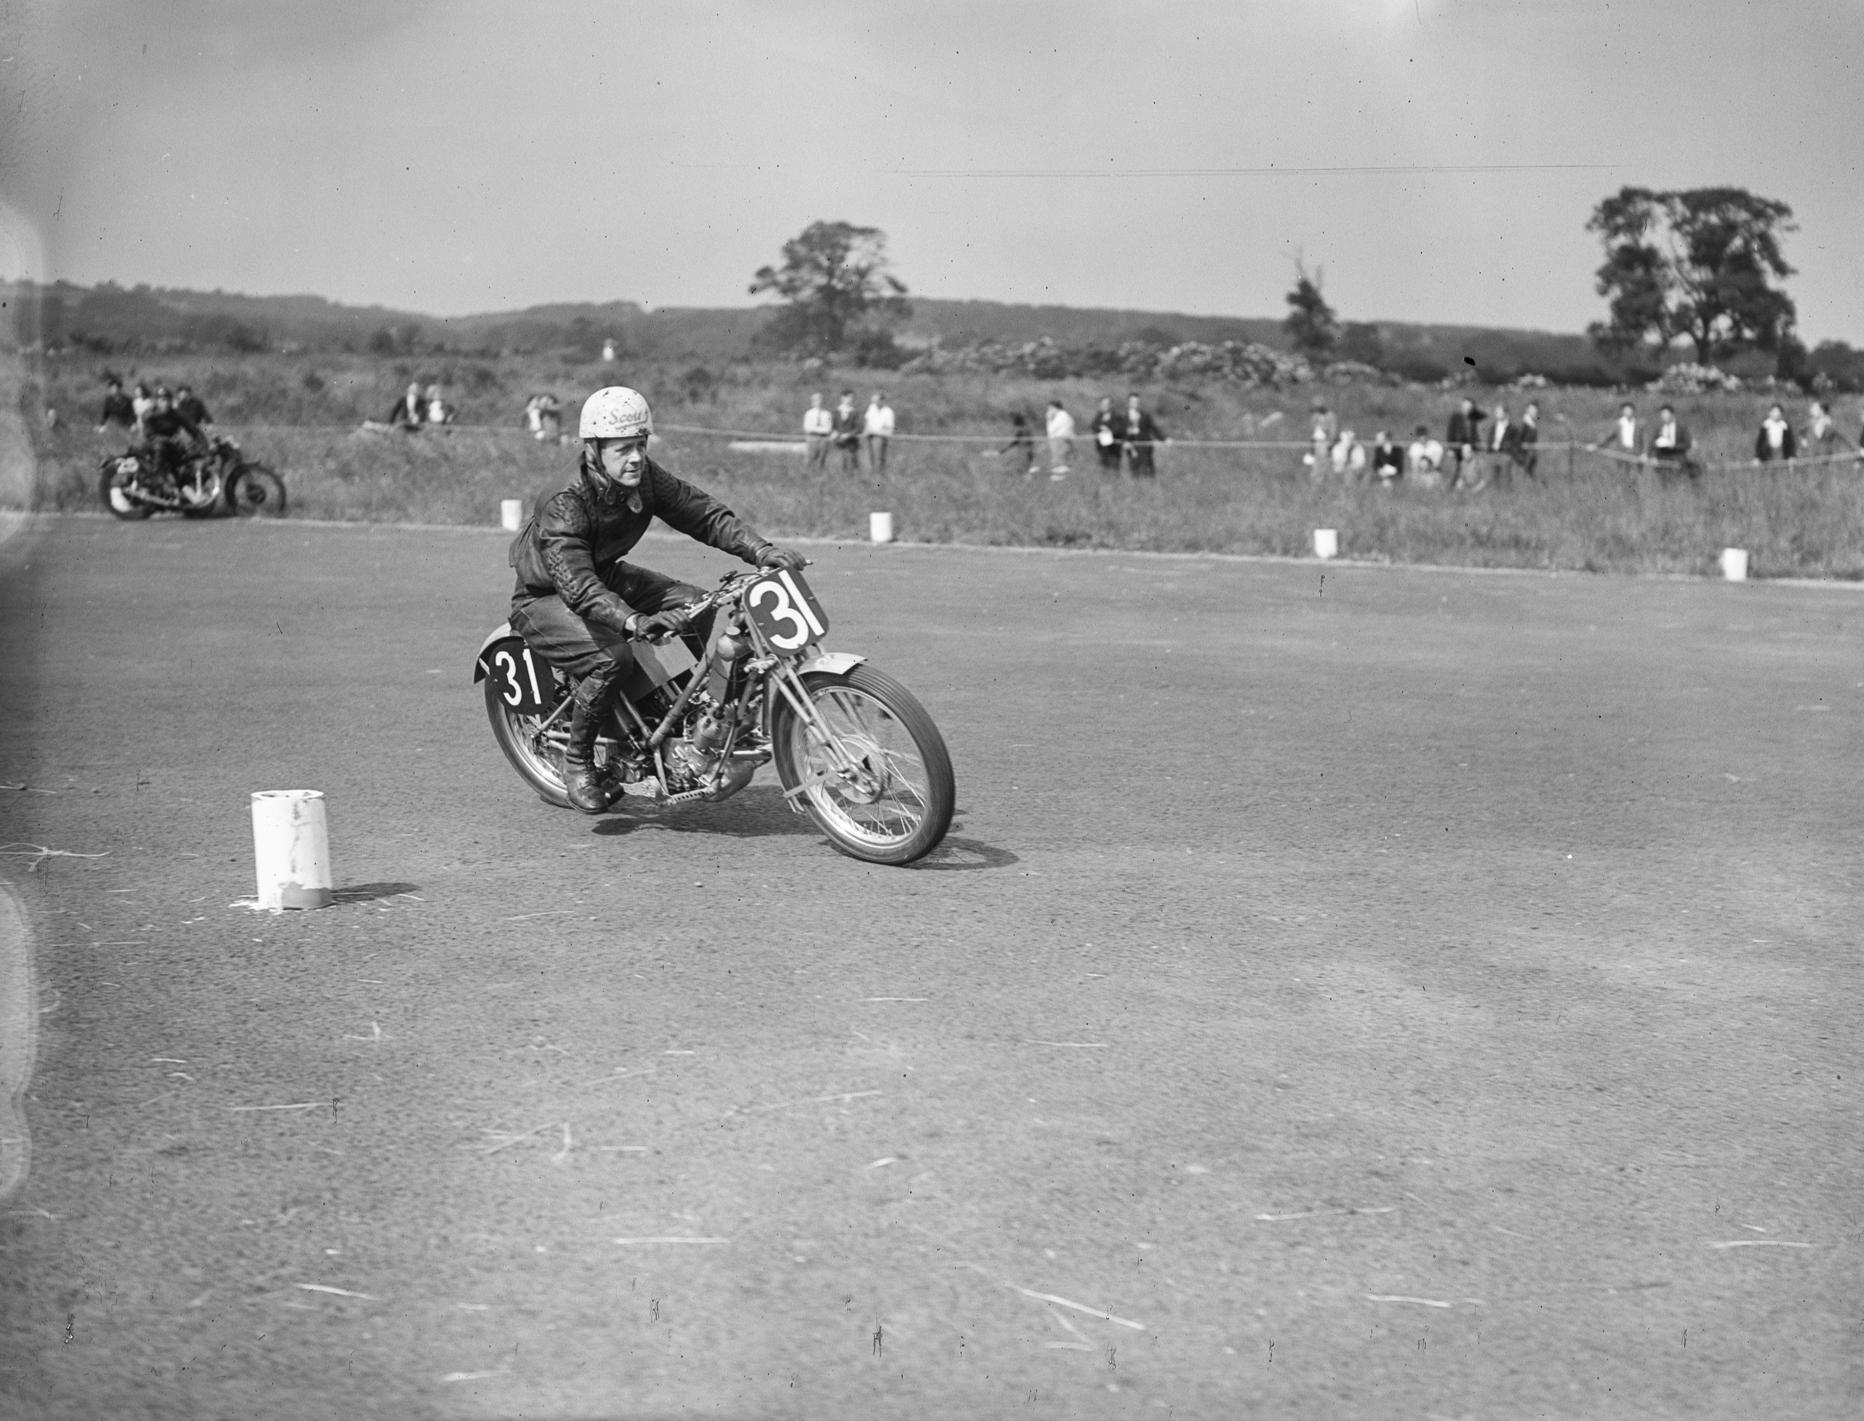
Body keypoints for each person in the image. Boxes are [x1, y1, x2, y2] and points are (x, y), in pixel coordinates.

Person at [506, 386, 808, 814]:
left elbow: (700, 512)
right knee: (611, 659)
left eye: (641, 445)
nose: (635, 457)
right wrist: (630, 622)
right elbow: (577, 586)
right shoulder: (565, 501)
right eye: (624, 448)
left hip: (605, 576)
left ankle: (683, 716)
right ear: (595, 449)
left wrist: (761, 550)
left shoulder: (643, 475)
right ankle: (578, 763)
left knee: (696, 605)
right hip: (545, 597)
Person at [137, 386, 207, 491]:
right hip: (151, 446)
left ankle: (183, 487)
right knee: (159, 446)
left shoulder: (176, 414)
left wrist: (204, 447)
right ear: (156, 401)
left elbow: (193, 429)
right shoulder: (149, 414)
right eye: (162, 400)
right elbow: (150, 435)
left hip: (171, 446)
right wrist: (169, 440)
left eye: (167, 400)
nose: (165, 403)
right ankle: (158, 478)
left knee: (187, 455)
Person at [1644, 404, 1697, 483]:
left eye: (1666, 414)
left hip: (1677, 458)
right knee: (1663, 482)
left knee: (1677, 482)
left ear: (1672, 414)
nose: (1663, 416)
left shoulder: (1681, 427)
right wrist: (1648, 455)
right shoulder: (1659, 428)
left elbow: (1687, 444)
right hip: (1662, 458)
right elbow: (1652, 443)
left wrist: (1674, 446)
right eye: (1662, 414)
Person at [1445, 397, 1485, 490]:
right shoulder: (1456, 417)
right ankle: (1451, 487)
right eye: (1465, 406)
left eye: (1469, 407)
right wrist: (1450, 448)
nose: (1467, 409)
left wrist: (1478, 447)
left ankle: (1469, 487)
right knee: (1456, 469)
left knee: (1470, 469)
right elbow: (1450, 432)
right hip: (1458, 448)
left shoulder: (1473, 419)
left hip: (1470, 449)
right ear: (1462, 406)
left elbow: (1475, 434)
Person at [1122, 393, 1163, 478]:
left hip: (1145, 447)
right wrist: (1125, 441)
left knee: (1148, 471)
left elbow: (1153, 428)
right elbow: (1121, 432)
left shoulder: (1145, 416)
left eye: (1137, 402)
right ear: (1129, 403)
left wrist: (1164, 439)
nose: (1135, 404)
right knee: (1134, 471)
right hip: (1132, 448)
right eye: (1133, 402)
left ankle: (1149, 488)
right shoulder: (1124, 417)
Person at [1307, 398, 1338, 482]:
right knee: (1316, 460)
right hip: (1315, 441)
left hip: (1324, 441)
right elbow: (1312, 427)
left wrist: (1330, 441)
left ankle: (1323, 479)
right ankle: (1315, 478)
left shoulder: (1330, 415)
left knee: (1324, 460)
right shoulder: (1315, 416)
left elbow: (1333, 429)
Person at [863, 391, 895, 473]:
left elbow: (889, 430)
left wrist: (876, 431)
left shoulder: (888, 412)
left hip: (879, 437)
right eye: (873, 401)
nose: (874, 403)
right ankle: (869, 477)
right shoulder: (871, 409)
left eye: (876, 401)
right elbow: (867, 422)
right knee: (868, 459)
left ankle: (878, 478)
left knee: (878, 459)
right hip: (869, 436)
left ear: (882, 400)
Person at [1405, 424, 1445, 488]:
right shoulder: (1414, 447)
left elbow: (1437, 463)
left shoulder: (1435, 445)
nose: (1422, 438)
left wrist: (1428, 464)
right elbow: (1414, 464)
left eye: (1424, 436)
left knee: (1433, 477)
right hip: (1419, 472)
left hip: (1432, 471)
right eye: (1420, 436)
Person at [1089, 395, 1122, 472]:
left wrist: (1108, 431)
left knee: (1113, 470)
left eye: (1106, 404)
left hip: (1113, 450)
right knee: (1103, 470)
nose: (1104, 406)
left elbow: (1119, 429)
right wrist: (1100, 428)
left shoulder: (1117, 416)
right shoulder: (1099, 416)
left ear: (1111, 405)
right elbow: (1094, 425)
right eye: (1103, 404)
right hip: (1102, 449)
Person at [831, 390, 861, 474]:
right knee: (840, 463)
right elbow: (832, 426)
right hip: (839, 442)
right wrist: (835, 433)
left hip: (852, 442)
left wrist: (849, 434)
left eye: (852, 398)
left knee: (852, 463)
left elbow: (858, 428)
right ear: (842, 398)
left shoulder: (854, 412)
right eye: (849, 397)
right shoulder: (836, 411)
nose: (851, 399)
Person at [1044, 399, 1076, 478]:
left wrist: (1049, 419)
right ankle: (1061, 477)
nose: (1049, 411)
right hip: (1063, 441)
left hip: (1059, 442)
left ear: (1054, 407)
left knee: (1059, 461)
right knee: (1062, 460)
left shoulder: (1061, 417)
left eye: (1050, 409)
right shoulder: (1065, 416)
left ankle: (1060, 478)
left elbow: (1050, 430)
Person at [802, 392, 832, 469]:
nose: (819, 402)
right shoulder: (809, 413)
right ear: (813, 402)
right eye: (816, 400)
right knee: (810, 458)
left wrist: (815, 428)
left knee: (821, 458)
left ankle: (819, 475)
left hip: (823, 439)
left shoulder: (826, 414)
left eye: (820, 400)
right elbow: (807, 428)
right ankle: (807, 473)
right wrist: (820, 429)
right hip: (812, 438)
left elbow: (828, 429)